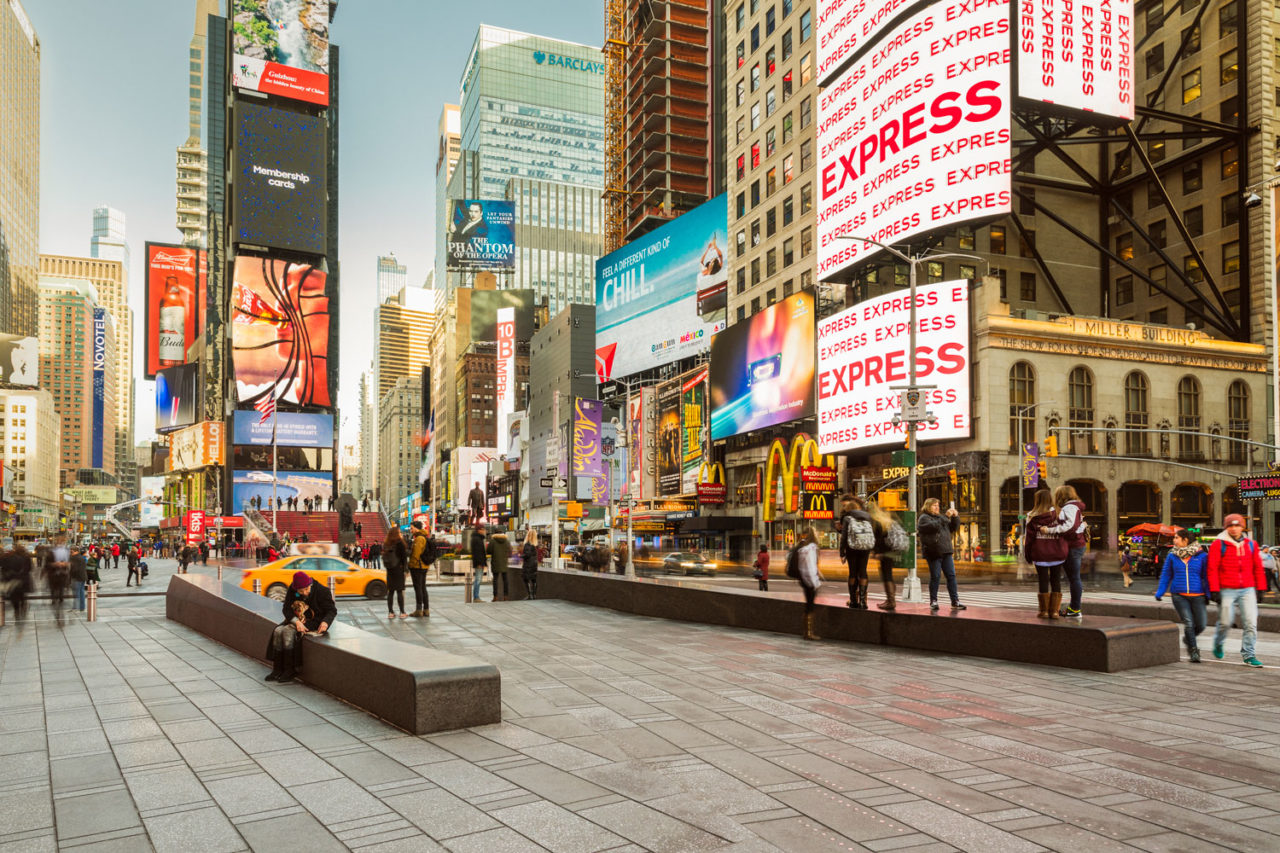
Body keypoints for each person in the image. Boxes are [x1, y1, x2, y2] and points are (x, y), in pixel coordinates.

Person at [1207, 513, 1266, 667]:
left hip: (1247, 589)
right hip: (1226, 589)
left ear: (1242, 526)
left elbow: (1258, 568)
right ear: (1226, 527)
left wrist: (1261, 588)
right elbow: (1212, 569)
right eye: (1230, 525)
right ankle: (1219, 643)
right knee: (1225, 622)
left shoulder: (1251, 545)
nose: (1234, 528)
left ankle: (1249, 655)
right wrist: (1214, 590)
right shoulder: (1218, 545)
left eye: (1237, 525)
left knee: (1251, 623)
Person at [264, 571, 337, 684]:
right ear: (296, 588)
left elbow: (332, 610)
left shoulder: (322, 591)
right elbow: (286, 609)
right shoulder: (292, 590)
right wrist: (297, 622)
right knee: (278, 631)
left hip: (314, 621)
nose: (304, 593)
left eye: (306, 589)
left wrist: (325, 622)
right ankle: (277, 669)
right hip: (297, 619)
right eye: (301, 591)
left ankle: (290, 669)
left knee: (288, 631)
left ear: (310, 584)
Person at [1155, 528, 1209, 662]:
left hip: (1198, 595)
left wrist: (1208, 594)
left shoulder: (1202, 556)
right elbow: (1166, 574)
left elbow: (1206, 577)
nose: (1174, 540)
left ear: (1185, 540)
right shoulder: (1172, 555)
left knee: (1201, 625)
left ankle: (1188, 638)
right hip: (1179, 595)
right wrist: (1160, 591)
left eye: (1176, 538)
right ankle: (1194, 651)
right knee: (1189, 623)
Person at [1040, 485, 1089, 617]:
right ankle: (1074, 608)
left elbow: (1069, 526)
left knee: (1074, 578)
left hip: (1074, 546)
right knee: (1073, 578)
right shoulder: (1073, 507)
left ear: (1061, 496)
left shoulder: (1070, 507)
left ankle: (1075, 609)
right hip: (1076, 545)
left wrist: (1049, 530)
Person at [1023, 489, 1067, 619]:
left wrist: (1028, 555)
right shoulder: (1059, 514)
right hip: (1057, 553)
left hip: (1040, 552)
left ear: (1037, 500)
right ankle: (1054, 612)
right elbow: (1065, 532)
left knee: (1043, 580)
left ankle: (1044, 611)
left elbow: (1029, 539)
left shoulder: (1031, 516)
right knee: (1056, 580)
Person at [917, 498, 966, 612]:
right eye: (934, 505)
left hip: (946, 551)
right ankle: (933, 601)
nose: (937, 507)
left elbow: (953, 528)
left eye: (938, 505)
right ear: (928, 506)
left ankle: (955, 601)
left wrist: (955, 517)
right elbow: (934, 526)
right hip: (934, 552)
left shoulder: (941, 518)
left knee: (951, 576)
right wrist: (946, 517)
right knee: (936, 577)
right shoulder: (924, 518)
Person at [867, 499, 904, 611]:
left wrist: (877, 552)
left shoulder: (876, 521)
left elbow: (878, 539)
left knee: (886, 575)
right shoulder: (886, 519)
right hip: (892, 551)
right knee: (889, 575)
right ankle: (890, 600)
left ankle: (891, 601)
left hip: (885, 553)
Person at [838, 496, 874, 609]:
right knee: (863, 571)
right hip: (865, 547)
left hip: (851, 547)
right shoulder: (867, 516)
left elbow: (844, 537)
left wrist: (842, 553)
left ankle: (853, 600)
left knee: (853, 573)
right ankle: (863, 602)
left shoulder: (847, 517)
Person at [796, 526, 822, 641]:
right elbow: (810, 566)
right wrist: (815, 582)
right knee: (809, 606)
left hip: (804, 579)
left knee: (808, 605)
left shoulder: (802, 547)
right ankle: (808, 633)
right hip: (809, 581)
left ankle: (807, 631)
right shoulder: (811, 548)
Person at [0, 544, 33, 622]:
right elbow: (28, 568)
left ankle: (17, 610)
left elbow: (3, 570)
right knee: (21, 595)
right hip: (21, 580)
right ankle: (21, 606)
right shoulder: (22, 558)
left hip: (13, 581)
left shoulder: (7, 558)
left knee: (15, 596)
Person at [407, 520, 433, 617]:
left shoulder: (419, 539)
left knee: (418, 588)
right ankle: (426, 609)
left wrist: (410, 566)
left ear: (416, 528)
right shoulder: (424, 537)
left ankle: (419, 610)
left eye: (412, 528)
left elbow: (415, 555)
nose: (411, 530)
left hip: (418, 566)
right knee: (422, 587)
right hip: (423, 566)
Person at [383, 526, 408, 619]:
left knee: (391, 591)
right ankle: (402, 612)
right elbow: (404, 557)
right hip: (398, 569)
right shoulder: (400, 543)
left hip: (390, 570)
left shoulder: (386, 543)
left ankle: (390, 612)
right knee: (399, 591)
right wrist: (406, 569)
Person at [489, 529, 511, 601]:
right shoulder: (507, 541)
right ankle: (506, 596)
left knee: (495, 580)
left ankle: (495, 597)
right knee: (505, 580)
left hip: (495, 562)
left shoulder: (492, 541)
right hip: (504, 563)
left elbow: (488, 551)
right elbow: (510, 551)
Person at [469, 524, 488, 602]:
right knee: (478, 579)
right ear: (479, 530)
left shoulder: (478, 538)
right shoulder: (477, 539)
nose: (484, 531)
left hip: (479, 562)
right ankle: (476, 597)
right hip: (479, 563)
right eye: (483, 529)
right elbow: (477, 552)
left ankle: (476, 596)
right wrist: (480, 563)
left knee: (478, 579)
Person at [522, 530, 541, 599]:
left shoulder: (528, 544)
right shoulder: (535, 544)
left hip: (528, 564)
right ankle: (534, 595)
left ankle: (530, 595)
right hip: (534, 564)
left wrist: (521, 556)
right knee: (534, 579)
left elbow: (527, 554)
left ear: (528, 535)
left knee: (526, 579)